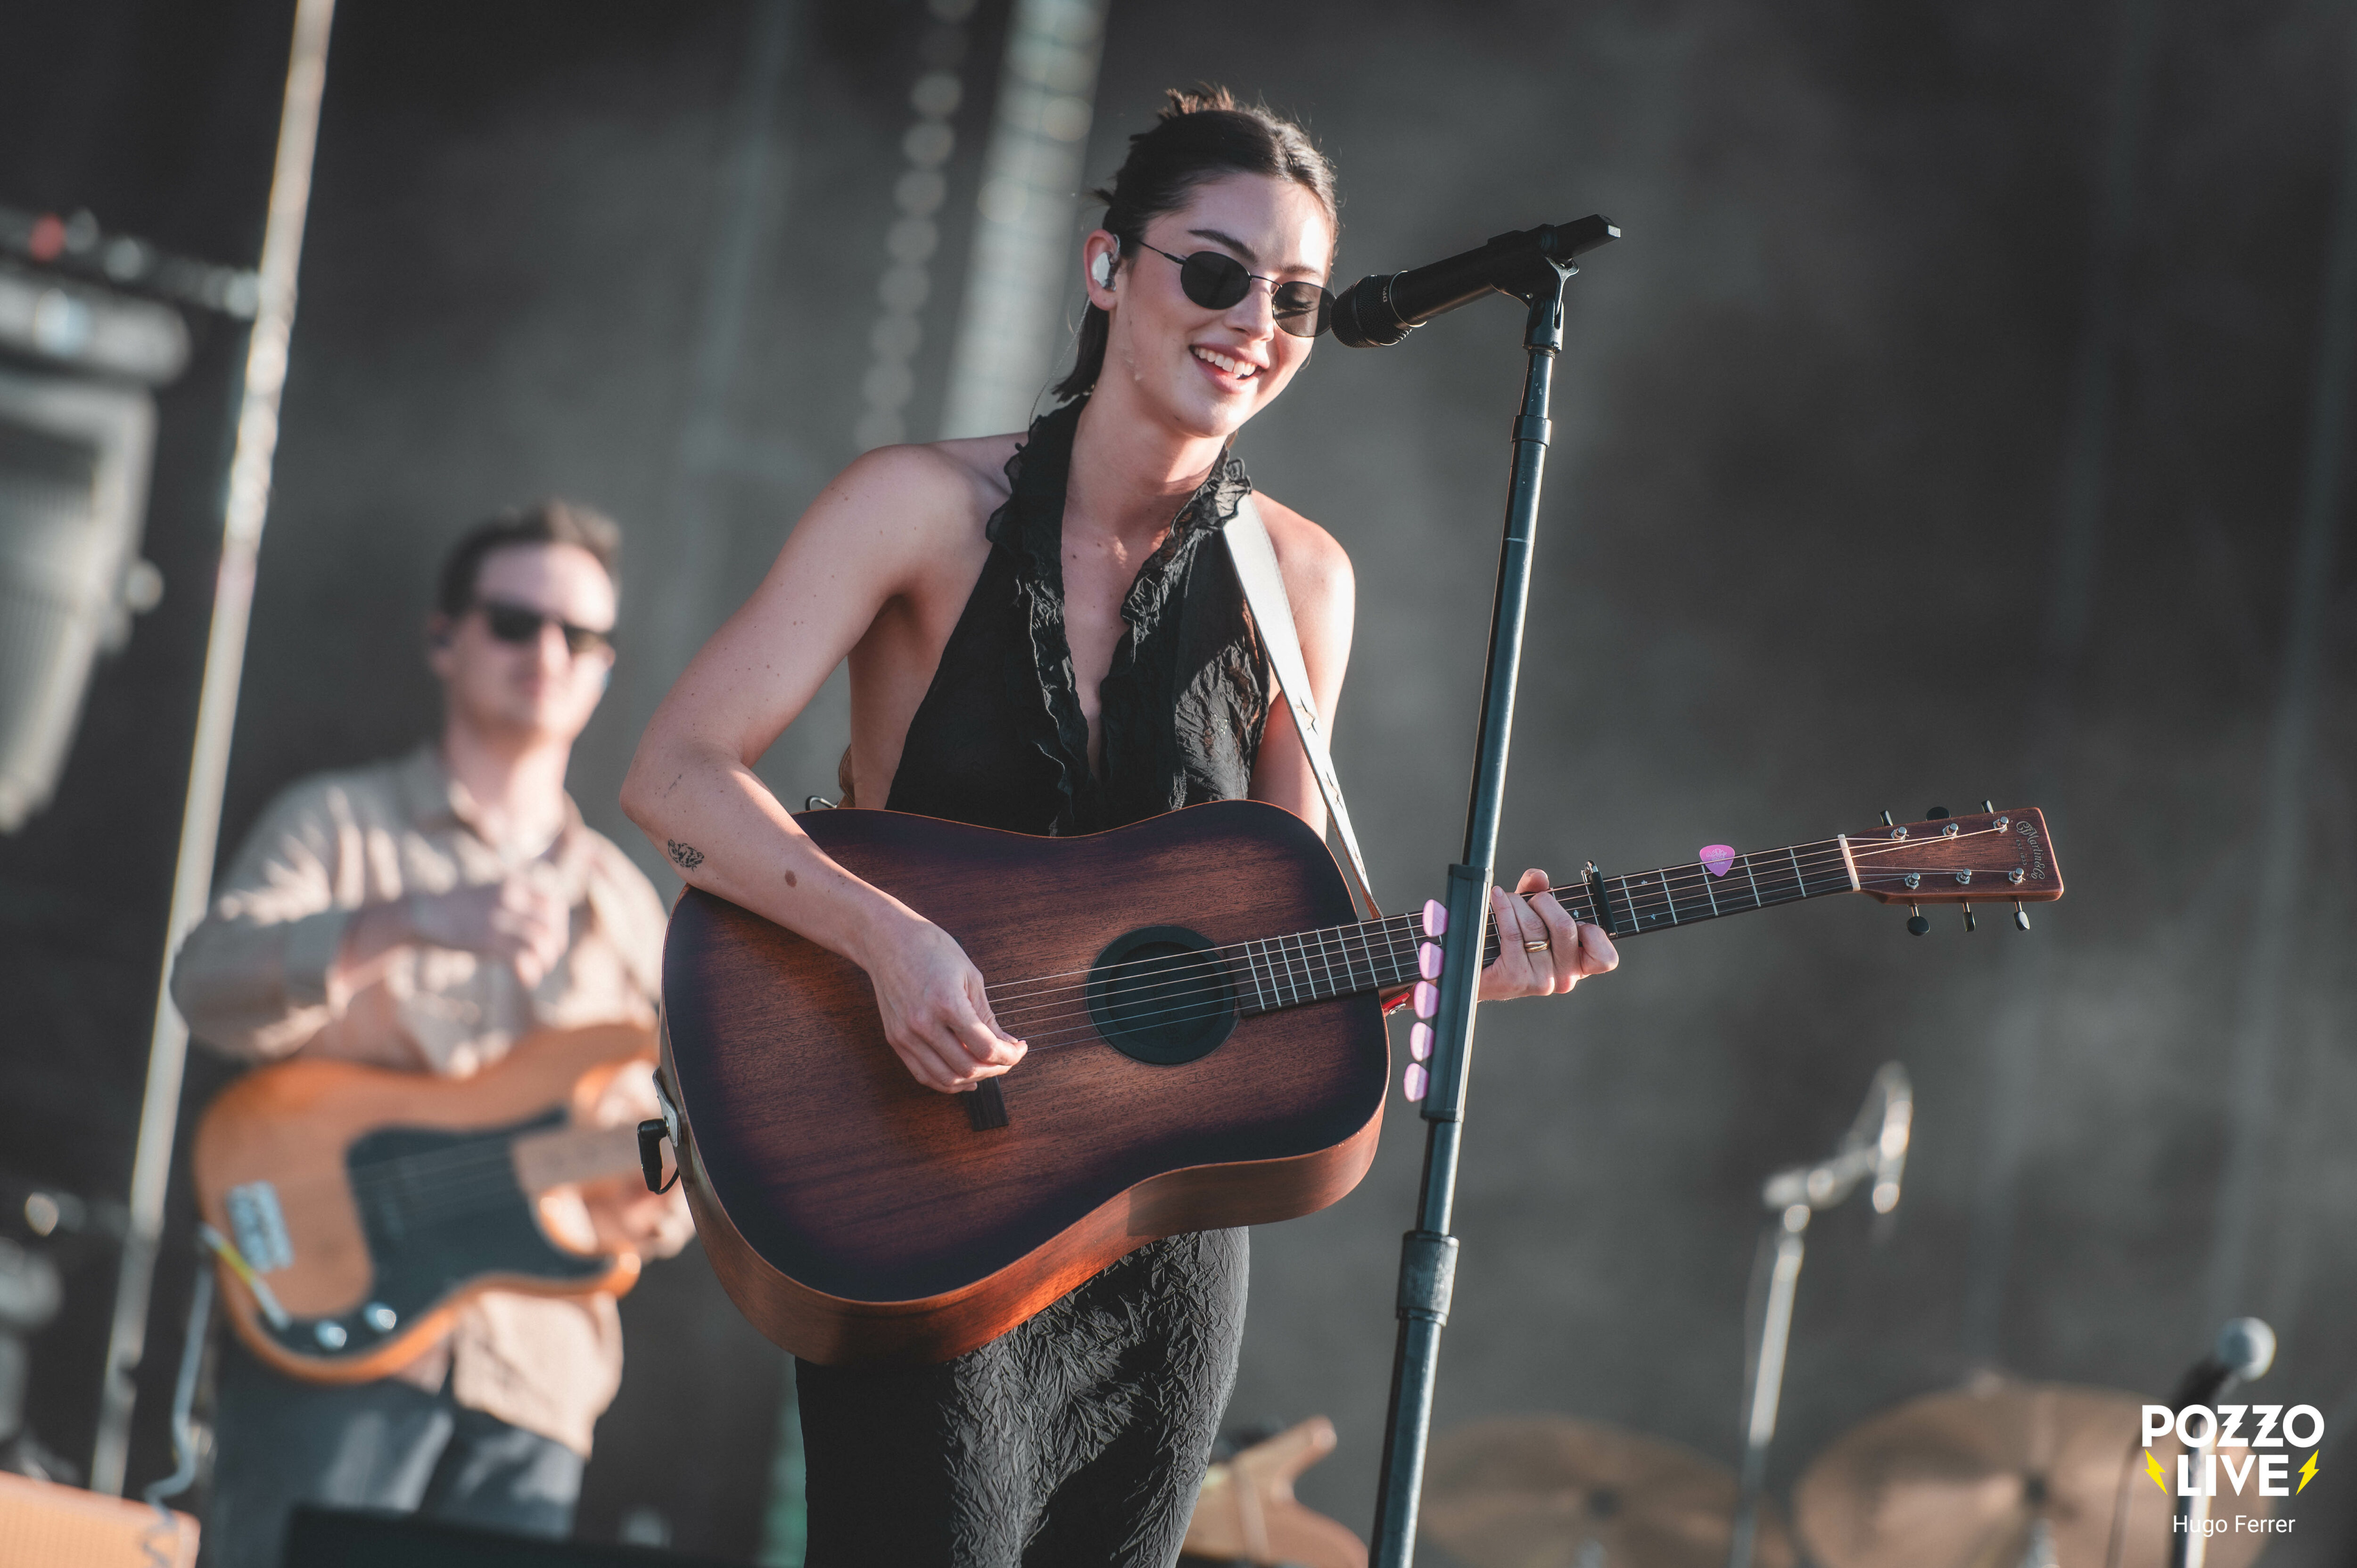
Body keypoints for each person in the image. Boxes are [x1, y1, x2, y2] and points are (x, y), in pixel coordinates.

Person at [622, 87, 1619, 1566]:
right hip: (927, 1186)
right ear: (1107, 268)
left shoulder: (1303, 582)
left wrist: (1454, 969)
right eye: (1216, 272)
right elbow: (677, 775)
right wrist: (889, 941)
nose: (1255, 323)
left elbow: (1282, 949)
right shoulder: (915, 506)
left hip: (1162, 1242)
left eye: (1295, 298)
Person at [173, 501, 691, 1568]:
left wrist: (665, 1186)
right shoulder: (338, 823)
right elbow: (206, 986)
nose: (546, 653)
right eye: (514, 622)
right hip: (335, 1336)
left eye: (579, 635)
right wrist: (403, 921)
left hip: (536, 1387)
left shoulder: (632, 910)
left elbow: (663, 1191)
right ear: (444, 638)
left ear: (604, 670)